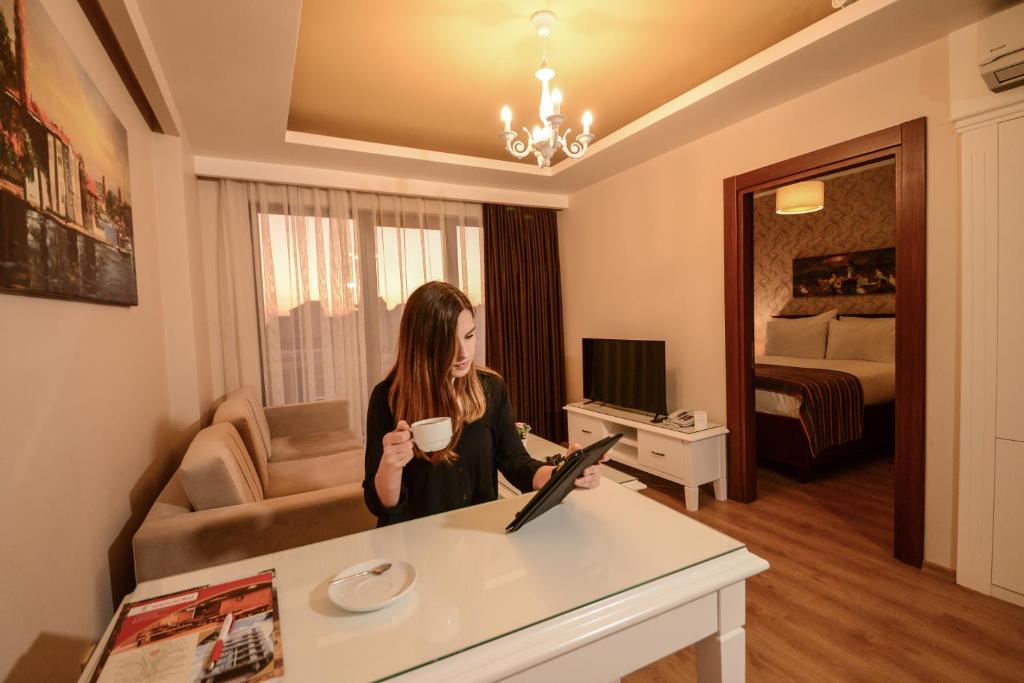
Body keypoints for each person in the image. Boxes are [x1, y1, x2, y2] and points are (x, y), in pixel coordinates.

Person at [363, 281, 604, 526]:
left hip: (478, 534)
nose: (464, 354)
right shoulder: (388, 397)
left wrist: (564, 475)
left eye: (469, 336)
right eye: (448, 342)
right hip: (417, 540)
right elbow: (381, 506)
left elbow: (517, 465)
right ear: (422, 344)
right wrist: (391, 465)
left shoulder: (489, 388)